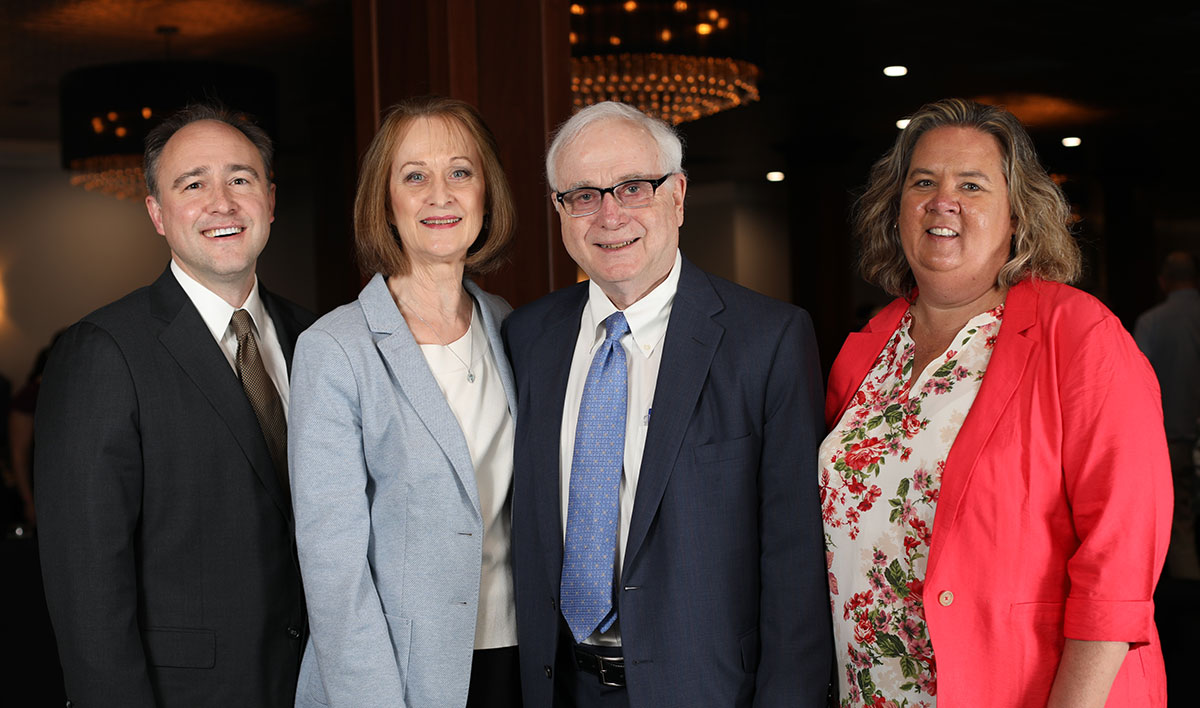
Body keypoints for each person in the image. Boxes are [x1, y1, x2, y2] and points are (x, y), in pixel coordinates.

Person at [822, 98, 1171, 707]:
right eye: (923, 181)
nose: (942, 200)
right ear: (896, 208)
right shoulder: (864, 351)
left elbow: (1120, 556)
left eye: (972, 184)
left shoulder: (1079, 336)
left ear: (1016, 215)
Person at [505, 101, 831, 707]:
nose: (610, 215)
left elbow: (795, 567)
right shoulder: (527, 338)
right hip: (557, 688)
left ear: (677, 196)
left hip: (706, 690)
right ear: (559, 211)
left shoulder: (769, 340)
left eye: (633, 187)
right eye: (583, 195)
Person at [35, 103, 313, 707]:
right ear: (157, 214)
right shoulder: (103, 352)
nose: (222, 203)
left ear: (269, 198)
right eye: (194, 185)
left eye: (240, 179)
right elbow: (86, 584)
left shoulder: (315, 340)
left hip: (318, 685)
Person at [289, 96, 520, 708]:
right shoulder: (335, 348)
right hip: (401, 678)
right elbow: (333, 569)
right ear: (385, 203)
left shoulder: (508, 325)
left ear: (485, 194)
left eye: (460, 173)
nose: (439, 195)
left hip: (521, 658)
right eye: (414, 176)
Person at [1135, 251, 1200, 581]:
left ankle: (1189, 613)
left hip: (1169, 439)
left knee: (1179, 524)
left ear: (1164, 282)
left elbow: (1134, 390)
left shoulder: (1152, 322)